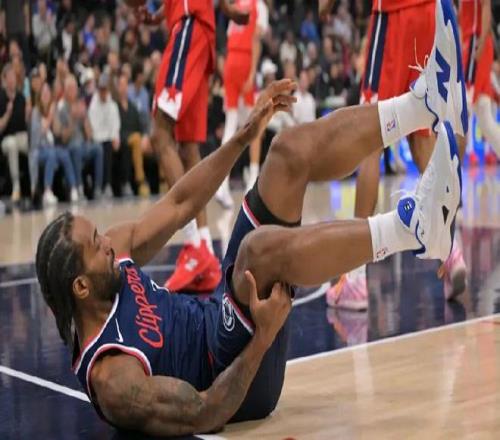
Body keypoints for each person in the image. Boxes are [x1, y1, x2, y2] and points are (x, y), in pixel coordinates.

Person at [35, 2, 465, 434]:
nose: (107, 243)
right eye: (96, 247)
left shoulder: (113, 255)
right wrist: (262, 338)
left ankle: (423, 103)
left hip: (219, 314)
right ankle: (415, 230)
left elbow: (182, 202)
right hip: (237, 377)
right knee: (256, 252)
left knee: (287, 152)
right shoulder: (113, 379)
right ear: (80, 286)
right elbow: (204, 411)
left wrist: (244, 135)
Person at [320, 0, 468, 309]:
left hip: (394, 13)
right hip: (429, 14)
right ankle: (452, 251)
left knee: (369, 138)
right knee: (421, 132)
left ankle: (355, 278)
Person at [131, 0, 250, 293]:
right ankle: (205, 251)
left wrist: (225, 8)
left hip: (189, 25)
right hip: (199, 33)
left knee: (160, 135)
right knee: (188, 147)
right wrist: (160, 15)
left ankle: (194, 246)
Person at [215, 0, 266, 208]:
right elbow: (256, 39)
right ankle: (253, 179)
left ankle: (221, 183)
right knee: (256, 125)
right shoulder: (258, 6)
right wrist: (252, 73)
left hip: (230, 63)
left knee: (231, 125)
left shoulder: (235, 4)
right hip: (244, 63)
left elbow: (229, 38)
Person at [459, 0, 500, 164]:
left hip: (475, 43)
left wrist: (481, 43)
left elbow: (485, 6)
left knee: (464, 105)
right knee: (484, 115)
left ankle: (451, 166)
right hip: (471, 43)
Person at [54, 75, 103, 200]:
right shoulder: (61, 108)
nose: (73, 91)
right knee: (76, 148)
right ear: (65, 91)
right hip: (69, 146)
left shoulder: (80, 105)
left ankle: (98, 189)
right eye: (70, 88)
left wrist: (84, 116)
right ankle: (79, 188)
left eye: (74, 88)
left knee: (98, 149)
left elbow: (90, 135)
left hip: (83, 144)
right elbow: (63, 138)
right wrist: (72, 118)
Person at [30, 82, 78, 205]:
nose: (46, 95)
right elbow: (41, 132)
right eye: (44, 93)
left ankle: (73, 188)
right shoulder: (36, 112)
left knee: (64, 153)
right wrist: (51, 115)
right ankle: (47, 191)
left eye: (48, 93)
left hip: (51, 148)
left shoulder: (53, 110)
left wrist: (55, 115)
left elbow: (57, 132)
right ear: (40, 96)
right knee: (51, 154)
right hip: (38, 150)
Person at [116, 74, 150, 198]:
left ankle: (164, 182)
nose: (124, 88)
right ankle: (141, 180)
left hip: (136, 138)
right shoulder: (115, 106)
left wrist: (145, 136)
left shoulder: (133, 106)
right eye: (121, 85)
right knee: (136, 139)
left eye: (126, 85)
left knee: (154, 143)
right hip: (122, 138)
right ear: (117, 87)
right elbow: (115, 127)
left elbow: (140, 126)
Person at [88, 73, 121, 197]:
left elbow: (115, 124)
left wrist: (115, 137)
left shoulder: (112, 105)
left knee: (109, 147)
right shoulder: (93, 106)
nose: (103, 92)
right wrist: (101, 138)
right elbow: (93, 126)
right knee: (101, 149)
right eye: (101, 89)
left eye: (105, 89)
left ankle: (107, 185)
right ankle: (99, 186)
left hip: (108, 139)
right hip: (97, 139)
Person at [0, 63, 29, 202]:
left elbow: (25, 124)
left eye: (14, 76)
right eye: (9, 77)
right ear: (4, 79)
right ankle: (16, 187)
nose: (12, 80)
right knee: (12, 144)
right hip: (6, 139)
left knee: (32, 144)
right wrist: (8, 113)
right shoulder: (0, 98)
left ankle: (35, 186)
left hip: (20, 137)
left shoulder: (21, 98)